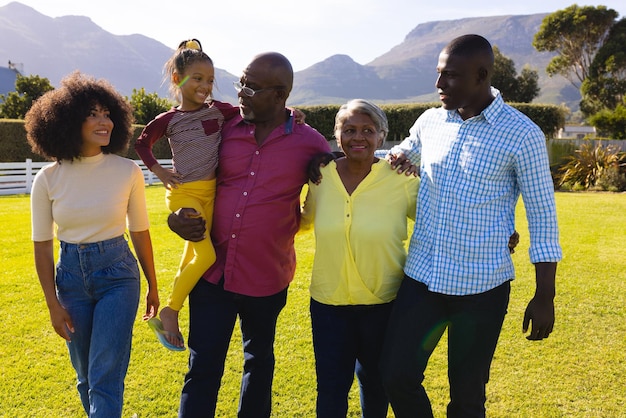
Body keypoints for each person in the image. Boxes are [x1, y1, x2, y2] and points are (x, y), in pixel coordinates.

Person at [379, 34, 563, 418]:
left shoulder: (522, 133)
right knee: (395, 375)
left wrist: (545, 294)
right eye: (439, 74)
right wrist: (340, 154)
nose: (439, 84)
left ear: (481, 76)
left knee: (467, 398)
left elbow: (543, 215)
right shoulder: (430, 121)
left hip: (482, 289)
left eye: (450, 76)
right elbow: (399, 154)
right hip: (422, 280)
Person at [167, 52, 331, 418]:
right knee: (202, 367)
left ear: (280, 95)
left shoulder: (311, 142)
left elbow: (345, 173)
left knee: (259, 363)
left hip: (267, 276)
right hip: (212, 275)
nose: (240, 92)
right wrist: (173, 218)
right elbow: (188, 182)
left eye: (251, 87)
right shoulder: (220, 127)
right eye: (241, 82)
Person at [26, 71, 160, 417]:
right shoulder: (48, 179)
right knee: (85, 376)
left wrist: (153, 285)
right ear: (68, 120)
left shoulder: (126, 171)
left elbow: (140, 231)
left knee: (104, 374)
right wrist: (52, 304)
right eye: (92, 114)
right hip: (70, 278)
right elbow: (42, 246)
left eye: (107, 113)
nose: (105, 122)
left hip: (118, 276)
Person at [300, 99, 419, 417]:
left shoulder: (401, 178)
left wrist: (497, 235)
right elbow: (303, 221)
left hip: (385, 304)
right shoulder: (320, 175)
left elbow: (437, 223)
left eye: (368, 130)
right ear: (336, 135)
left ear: (382, 136)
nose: (358, 137)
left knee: (376, 385)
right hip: (328, 305)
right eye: (349, 129)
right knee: (331, 388)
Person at [135, 39, 239, 350]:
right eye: (197, 78)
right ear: (178, 79)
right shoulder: (168, 120)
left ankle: (170, 312)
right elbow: (142, 143)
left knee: (190, 256)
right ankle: (171, 311)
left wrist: (290, 113)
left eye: (210, 80)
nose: (205, 86)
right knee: (206, 255)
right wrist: (160, 171)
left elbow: (254, 112)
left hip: (211, 195)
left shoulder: (219, 112)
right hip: (184, 196)